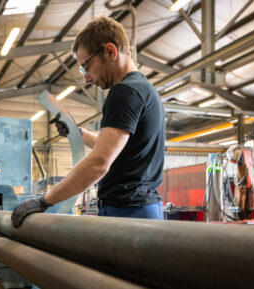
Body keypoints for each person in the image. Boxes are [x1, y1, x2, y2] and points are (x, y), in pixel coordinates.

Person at [11, 16, 165, 227]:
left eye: (87, 65)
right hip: (140, 210)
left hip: (127, 214)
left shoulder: (124, 92)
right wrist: (78, 133)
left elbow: (99, 162)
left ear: (110, 51)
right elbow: (116, 149)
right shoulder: (143, 89)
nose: (87, 78)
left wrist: (45, 201)